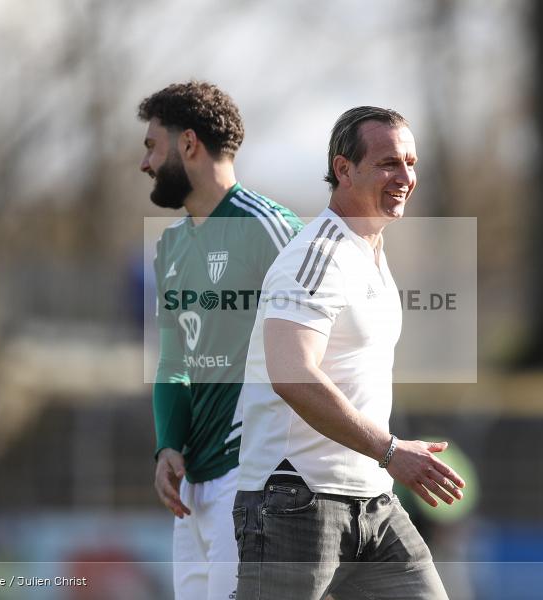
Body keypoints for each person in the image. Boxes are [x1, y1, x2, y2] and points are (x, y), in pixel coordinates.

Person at [233, 106, 465, 599]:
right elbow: (292, 373)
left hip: (374, 502)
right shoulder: (316, 256)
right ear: (343, 169)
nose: (405, 176)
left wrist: (385, 458)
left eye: (410, 162)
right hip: (295, 500)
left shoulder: (371, 254)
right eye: (387, 163)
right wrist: (389, 449)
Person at [138, 81, 303, 600]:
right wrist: (168, 444)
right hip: (193, 490)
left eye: (151, 146)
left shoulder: (270, 228)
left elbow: (325, 343)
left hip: (253, 478)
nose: (144, 162)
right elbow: (174, 359)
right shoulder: (170, 246)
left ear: (188, 144)